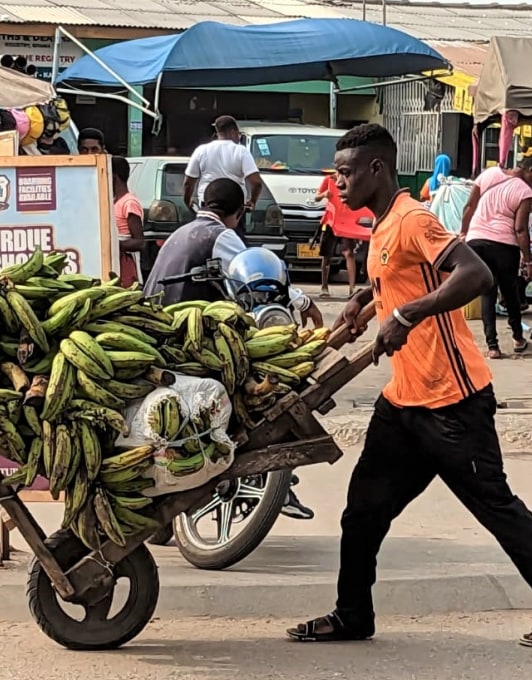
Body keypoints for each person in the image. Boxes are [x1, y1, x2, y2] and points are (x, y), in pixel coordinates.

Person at [287, 123, 532, 647]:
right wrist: (368, 301)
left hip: (452, 401)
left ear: (377, 170)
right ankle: (352, 615)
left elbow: (474, 274)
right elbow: (404, 275)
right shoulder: (384, 223)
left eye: (345, 173)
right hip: (403, 400)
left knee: (496, 507)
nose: (337, 183)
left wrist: (406, 313)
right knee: (363, 510)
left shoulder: (413, 219)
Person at [144, 178, 322, 522]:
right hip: (191, 341)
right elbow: (253, 277)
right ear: (239, 213)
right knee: (262, 394)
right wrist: (303, 301)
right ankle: (278, 487)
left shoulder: (181, 234)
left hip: (158, 335)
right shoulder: (221, 236)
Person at [461, 156, 532, 358]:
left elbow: (469, 207)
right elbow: (520, 229)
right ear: (530, 169)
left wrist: (463, 233)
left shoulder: (488, 174)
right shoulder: (524, 191)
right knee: (510, 292)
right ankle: (517, 337)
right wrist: (528, 260)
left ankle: (493, 346)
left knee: (488, 292)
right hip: (504, 245)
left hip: (476, 240)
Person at [183, 116, 263, 239]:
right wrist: (252, 201)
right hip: (234, 209)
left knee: (206, 243)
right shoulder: (241, 151)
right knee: (235, 245)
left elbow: (188, 182)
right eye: (238, 134)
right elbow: (256, 182)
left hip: (208, 206)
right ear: (232, 132)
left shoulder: (201, 150)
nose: (239, 137)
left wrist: (187, 201)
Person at [309, 172, 372, 299]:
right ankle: (324, 287)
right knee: (326, 254)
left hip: (347, 222)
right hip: (331, 221)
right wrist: (323, 195)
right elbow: (316, 198)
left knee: (349, 253)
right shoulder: (329, 180)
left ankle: (352, 288)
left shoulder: (351, 181)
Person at [111, 156, 146, 287]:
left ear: (113, 176)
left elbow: (140, 242)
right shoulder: (113, 201)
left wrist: (113, 244)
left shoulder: (129, 202)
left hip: (125, 263)